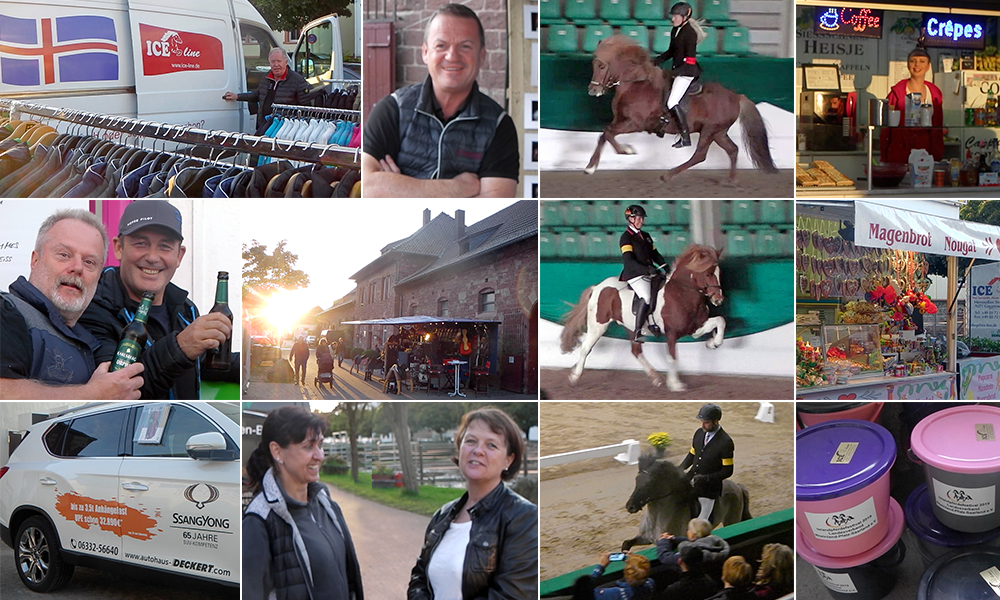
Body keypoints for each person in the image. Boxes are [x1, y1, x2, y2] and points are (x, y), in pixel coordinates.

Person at [78, 200, 233, 400]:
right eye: (141, 243)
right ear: (118, 247)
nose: (152, 257)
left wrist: (253, 362)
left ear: (179, 255)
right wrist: (181, 346)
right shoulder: (91, 305)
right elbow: (119, 389)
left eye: (165, 246)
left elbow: (200, 363)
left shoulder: (186, 309)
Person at [362, 3, 519, 198]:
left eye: (465, 46)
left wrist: (399, 189)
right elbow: (368, 188)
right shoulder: (392, 110)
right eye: (441, 46)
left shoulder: (498, 125)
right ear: (425, 53)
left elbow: (495, 204)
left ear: (482, 55)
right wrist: (457, 188)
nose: (452, 56)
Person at [1, 209, 144, 399]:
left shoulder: (87, 336)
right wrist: (92, 394)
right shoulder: (7, 311)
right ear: (35, 260)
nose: (77, 268)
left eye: (89, 262)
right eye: (64, 255)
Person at [408, 407, 538, 600]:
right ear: (460, 449)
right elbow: (419, 576)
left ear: (508, 460)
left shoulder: (523, 518)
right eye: (470, 441)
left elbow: (511, 595)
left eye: (491, 445)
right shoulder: (443, 515)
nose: (478, 451)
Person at [243, 405, 364, 600]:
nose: (319, 455)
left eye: (320, 445)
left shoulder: (326, 504)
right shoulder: (258, 521)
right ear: (277, 451)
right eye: (309, 446)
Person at [223, 48, 312, 132]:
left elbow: (305, 109)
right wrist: (237, 96)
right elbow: (257, 95)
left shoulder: (297, 80)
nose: (276, 64)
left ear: (286, 62)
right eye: (273, 61)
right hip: (264, 125)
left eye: (279, 61)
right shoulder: (266, 77)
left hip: (284, 129)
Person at [880, 46, 945, 162]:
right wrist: (884, 157)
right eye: (913, 61)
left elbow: (938, 129)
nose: (917, 65)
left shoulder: (935, 94)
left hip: (928, 154)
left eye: (922, 61)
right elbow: (885, 129)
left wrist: (938, 154)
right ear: (907, 65)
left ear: (928, 66)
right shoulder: (896, 93)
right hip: (900, 155)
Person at [652, 2, 703, 147]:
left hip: (687, 72)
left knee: (672, 101)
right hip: (678, 69)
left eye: (675, 16)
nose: (673, 19)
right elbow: (670, 52)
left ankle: (685, 137)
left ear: (685, 17)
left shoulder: (690, 33)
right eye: (673, 16)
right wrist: (655, 61)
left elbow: (691, 59)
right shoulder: (675, 31)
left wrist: (675, 72)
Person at [619, 205, 667, 343]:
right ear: (630, 219)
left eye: (641, 218)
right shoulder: (626, 238)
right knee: (646, 296)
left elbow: (655, 254)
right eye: (637, 218)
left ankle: (653, 320)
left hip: (649, 271)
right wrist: (646, 270)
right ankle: (637, 331)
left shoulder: (646, 236)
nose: (640, 221)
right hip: (635, 274)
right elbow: (628, 260)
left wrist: (665, 266)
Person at [680, 404, 735, 521]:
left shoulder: (726, 442)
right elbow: (692, 454)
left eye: (706, 422)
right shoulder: (699, 434)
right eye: (702, 422)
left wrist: (706, 478)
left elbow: (727, 470)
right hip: (692, 477)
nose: (703, 425)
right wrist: (680, 468)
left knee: (702, 519)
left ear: (716, 421)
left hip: (709, 488)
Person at [574, 552, 655, 600]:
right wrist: (635, 562)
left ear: (626, 573)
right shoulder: (650, 584)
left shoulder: (615, 594)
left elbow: (584, 592)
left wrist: (601, 567)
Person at [656, 518, 729, 569]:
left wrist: (663, 541)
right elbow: (696, 541)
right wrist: (672, 539)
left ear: (692, 535)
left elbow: (666, 557)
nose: (687, 531)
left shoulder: (691, 552)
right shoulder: (718, 544)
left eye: (688, 529)